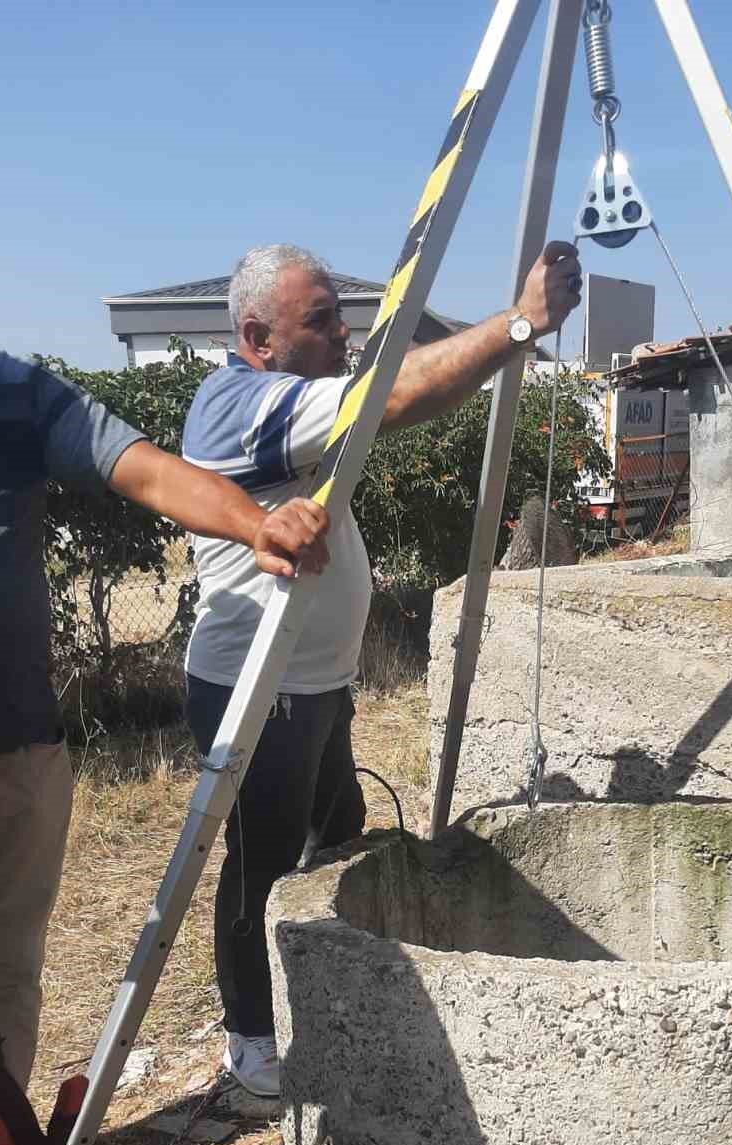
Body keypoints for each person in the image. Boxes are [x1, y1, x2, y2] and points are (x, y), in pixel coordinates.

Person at [0, 220, 330, 1133]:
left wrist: (252, 525)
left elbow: (143, 470)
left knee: (3, 987)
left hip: (11, 764)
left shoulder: (9, 392)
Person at [182, 240, 582, 1100]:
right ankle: (251, 1044)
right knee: (262, 862)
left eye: (340, 314)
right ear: (257, 336)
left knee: (339, 832)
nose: (343, 333)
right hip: (259, 691)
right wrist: (520, 324)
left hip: (315, 685)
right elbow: (389, 398)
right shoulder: (239, 404)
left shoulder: (281, 397)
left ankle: (323, 991)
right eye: (319, 320)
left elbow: (400, 390)